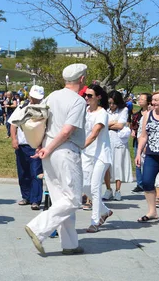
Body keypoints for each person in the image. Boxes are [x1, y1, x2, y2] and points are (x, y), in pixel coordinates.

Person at [25, 64, 87, 256]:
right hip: (64, 151)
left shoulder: (52, 96)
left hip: (48, 150)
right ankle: (38, 227)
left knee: (61, 199)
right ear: (82, 79)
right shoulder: (78, 101)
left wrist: (43, 146)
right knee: (73, 199)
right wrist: (49, 148)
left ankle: (69, 244)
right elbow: (67, 131)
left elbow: (40, 122)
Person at [136, 90, 159, 225]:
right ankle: (152, 211)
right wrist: (138, 152)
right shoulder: (148, 115)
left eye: (157, 100)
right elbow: (144, 136)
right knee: (147, 182)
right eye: (153, 100)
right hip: (151, 155)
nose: (153, 102)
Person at [81, 84, 113, 232]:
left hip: (101, 154)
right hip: (87, 154)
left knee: (94, 187)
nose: (87, 98)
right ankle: (105, 210)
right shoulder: (85, 111)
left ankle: (94, 221)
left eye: (90, 96)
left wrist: (80, 146)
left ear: (98, 97)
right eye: (85, 95)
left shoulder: (102, 113)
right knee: (83, 185)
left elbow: (94, 134)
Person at [10, 85, 45, 211]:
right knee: (23, 172)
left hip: (36, 145)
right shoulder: (22, 107)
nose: (35, 100)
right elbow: (13, 124)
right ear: (29, 96)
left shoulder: (44, 109)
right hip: (22, 144)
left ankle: (35, 200)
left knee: (36, 173)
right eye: (33, 97)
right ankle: (26, 196)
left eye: (38, 98)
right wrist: (14, 139)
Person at [103, 90, 132, 201]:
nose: (111, 105)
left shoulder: (123, 110)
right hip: (107, 140)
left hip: (118, 141)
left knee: (118, 165)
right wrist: (111, 123)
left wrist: (108, 125)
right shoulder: (105, 110)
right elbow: (102, 124)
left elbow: (120, 125)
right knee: (107, 165)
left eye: (114, 103)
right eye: (110, 103)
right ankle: (108, 189)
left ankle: (118, 190)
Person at [131, 93, 151, 193]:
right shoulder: (136, 115)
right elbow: (133, 126)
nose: (140, 100)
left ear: (148, 101)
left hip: (150, 142)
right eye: (139, 99)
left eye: (142, 99)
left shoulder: (152, 114)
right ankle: (140, 184)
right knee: (138, 162)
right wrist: (133, 130)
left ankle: (149, 183)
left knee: (148, 163)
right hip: (137, 141)